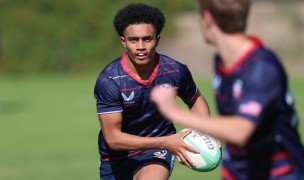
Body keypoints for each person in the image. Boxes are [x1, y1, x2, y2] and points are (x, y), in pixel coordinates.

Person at [151, 0, 304, 179]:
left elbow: (240, 130)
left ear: (207, 18)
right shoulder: (222, 62)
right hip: (238, 172)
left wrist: (174, 112)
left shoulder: (261, 68)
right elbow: (234, 124)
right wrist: (199, 140)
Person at [93, 3, 210, 180]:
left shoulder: (175, 71)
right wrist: (166, 142)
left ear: (157, 39)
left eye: (147, 39)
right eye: (134, 40)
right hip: (116, 158)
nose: (141, 46)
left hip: (157, 153)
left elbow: (195, 101)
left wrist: (203, 133)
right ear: (123, 41)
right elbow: (113, 139)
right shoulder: (109, 80)